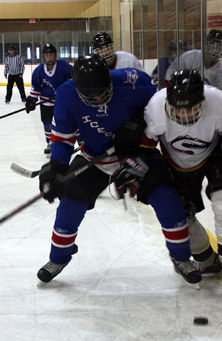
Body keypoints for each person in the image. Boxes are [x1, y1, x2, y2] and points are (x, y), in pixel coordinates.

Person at [36, 54, 201, 287]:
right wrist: (56, 165)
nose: (100, 99)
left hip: (137, 152)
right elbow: (63, 137)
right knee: (69, 204)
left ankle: (181, 257)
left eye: (104, 92)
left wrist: (138, 127)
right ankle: (58, 258)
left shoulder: (135, 82)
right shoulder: (66, 94)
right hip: (95, 157)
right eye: (92, 97)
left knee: (167, 197)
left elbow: (158, 113)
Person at [143, 69, 222, 294]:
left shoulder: (218, 102)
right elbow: (145, 146)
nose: (185, 115)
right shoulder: (155, 107)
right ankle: (208, 260)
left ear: (202, 101)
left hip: (212, 156)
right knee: (181, 216)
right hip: (174, 164)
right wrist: (143, 171)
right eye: (179, 109)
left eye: (191, 108)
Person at [25, 43, 73, 156]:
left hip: (62, 103)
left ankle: (75, 140)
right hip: (46, 103)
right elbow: (36, 87)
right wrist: (31, 100)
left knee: (67, 122)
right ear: (44, 57)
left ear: (55, 56)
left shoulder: (64, 66)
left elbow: (73, 82)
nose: (49, 57)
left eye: (51, 55)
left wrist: (67, 94)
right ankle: (50, 143)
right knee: (47, 124)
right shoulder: (38, 71)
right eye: (47, 55)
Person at [165, 29, 222, 93]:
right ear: (206, 45)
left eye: (217, 47)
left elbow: (218, 97)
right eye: (211, 45)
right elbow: (170, 76)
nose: (214, 50)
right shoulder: (189, 57)